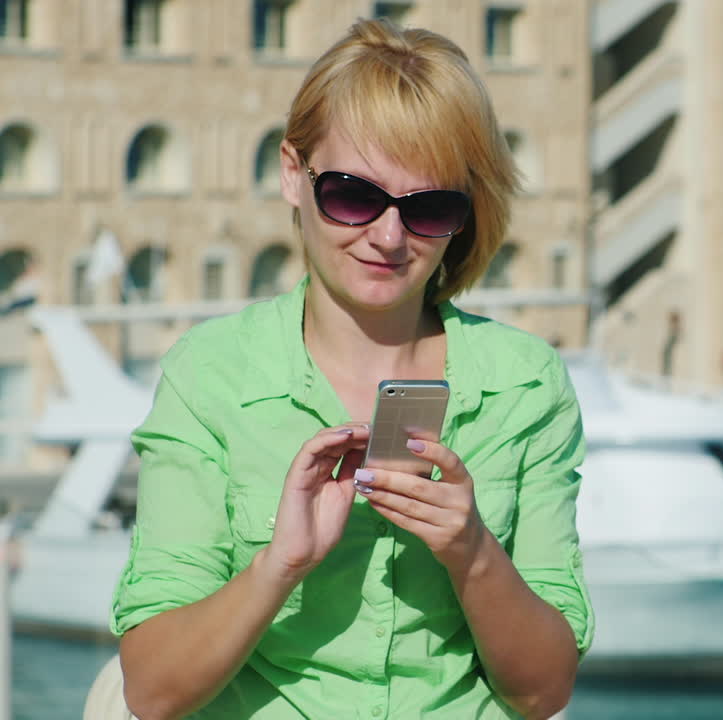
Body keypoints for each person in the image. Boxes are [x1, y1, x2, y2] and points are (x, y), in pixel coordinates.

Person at [112, 19, 591, 719]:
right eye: (354, 196)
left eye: (430, 207)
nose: (389, 236)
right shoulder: (210, 375)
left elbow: (544, 691)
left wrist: (473, 553)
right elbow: (153, 691)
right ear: (293, 174)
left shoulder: (527, 384)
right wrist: (279, 565)